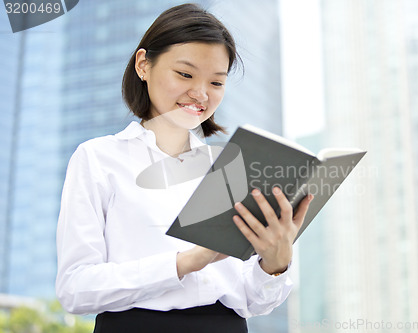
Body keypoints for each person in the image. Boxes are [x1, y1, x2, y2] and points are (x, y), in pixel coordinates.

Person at [55, 3, 313, 333]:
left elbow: (251, 300)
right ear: (143, 64)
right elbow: (75, 289)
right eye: (186, 74)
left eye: (216, 83)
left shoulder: (227, 167)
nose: (200, 93)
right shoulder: (98, 159)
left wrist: (275, 264)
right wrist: (185, 262)